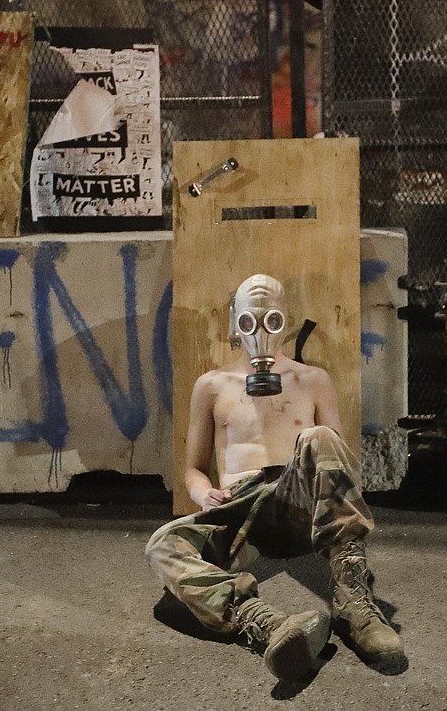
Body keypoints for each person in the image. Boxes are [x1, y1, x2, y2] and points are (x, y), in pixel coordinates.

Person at [145, 274, 406, 682]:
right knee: (162, 545)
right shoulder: (212, 386)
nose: (260, 332)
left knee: (320, 436)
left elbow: (339, 461)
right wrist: (203, 493)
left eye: (272, 320)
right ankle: (267, 625)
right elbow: (193, 468)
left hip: (297, 499)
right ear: (235, 324)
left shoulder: (312, 379)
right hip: (240, 505)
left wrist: (321, 476)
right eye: (250, 322)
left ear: (285, 322)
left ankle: (353, 602)